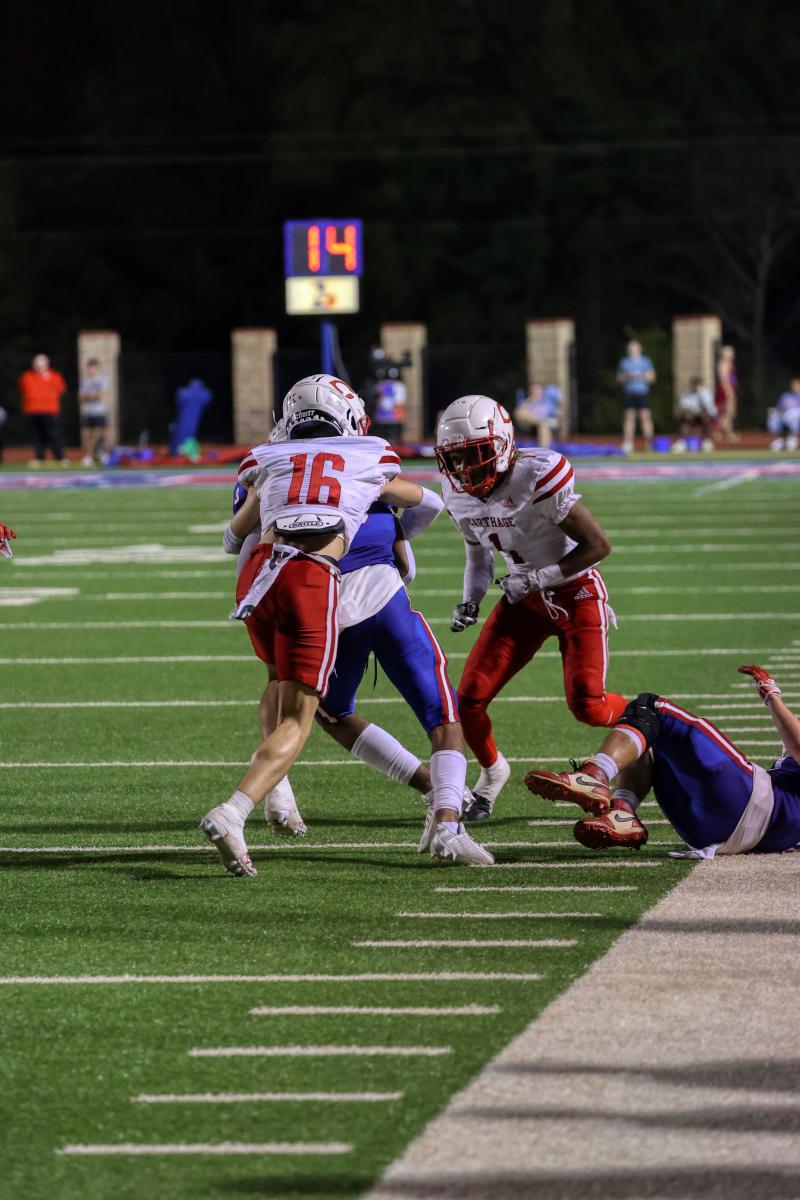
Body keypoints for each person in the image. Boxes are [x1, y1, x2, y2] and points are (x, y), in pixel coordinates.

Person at [202, 374, 491, 877]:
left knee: (308, 702)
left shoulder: (267, 460)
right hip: (339, 586)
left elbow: (235, 542)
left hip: (270, 583)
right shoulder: (368, 457)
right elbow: (427, 504)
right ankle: (447, 817)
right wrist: (399, 544)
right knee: (440, 714)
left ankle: (280, 793)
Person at [436, 394, 628, 822]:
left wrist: (538, 579)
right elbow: (478, 557)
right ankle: (491, 775)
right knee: (468, 700)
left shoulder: (536, 475)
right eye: (455, 458)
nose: (464, 468)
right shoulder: (457, 494)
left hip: (575, 593)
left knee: (589, 705)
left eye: (474, 454)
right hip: (523, 598)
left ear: (501, 444)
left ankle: (645, 721)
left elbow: (598, 545)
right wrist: (470, 600)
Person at [524, 666, 800, 857]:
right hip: (721, 834)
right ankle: (622, 814)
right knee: (646, 739)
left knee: (650, 709)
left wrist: (771, 697)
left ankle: (596, 774)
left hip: (745, 803)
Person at [17, 354, 68, 466]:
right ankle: (39, 457)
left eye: (42, 364)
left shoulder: (55, 376)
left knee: (54, 434)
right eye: (37, 364)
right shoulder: (27, 376)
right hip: (32, 410)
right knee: (37, 435)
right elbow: (22, 389)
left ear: (47, 365)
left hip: (50, 410)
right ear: (34, 365)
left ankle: (59, 457)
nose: (40, 367)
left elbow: (61, 390)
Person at [617, 339, 655, 454]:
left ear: (639, 349)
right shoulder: (624, 362)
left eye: (634, 348)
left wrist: (641, 376)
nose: (632, 350)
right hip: (629, 393)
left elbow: (652, 378)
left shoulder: (645, 361)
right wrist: (628, 376)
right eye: (630, 348)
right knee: (629, 418)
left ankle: (649, 443)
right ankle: (628, 443)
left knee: (645, 417)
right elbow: (619, 378)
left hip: (642, 393)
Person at [78, 358, 109, 466]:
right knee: (88, 435)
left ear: (97, 369)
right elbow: (80, 397)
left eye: (93, 368)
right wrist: (91, 396)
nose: (91, 371)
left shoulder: (102, 380)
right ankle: (89, 456)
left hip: (99, 411)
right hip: (87, 412)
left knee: (101, 434)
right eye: (90, 368)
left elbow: (99, 396)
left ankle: (103, 454)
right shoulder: (85, 381)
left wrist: (88, 396)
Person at [513, 383, 562, 448]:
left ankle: (544, 448)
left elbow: (557, 415)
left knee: (543, 424)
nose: (534, 391)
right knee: (520, 412)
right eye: (532, 390)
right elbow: (518, 413)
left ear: (542, 391)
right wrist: (530, 401)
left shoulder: (547, 403)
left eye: (537, 389)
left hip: (542, 424)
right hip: (528, 424)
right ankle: (544, 449)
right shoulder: (527, 402)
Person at [673, 376, 715, 452]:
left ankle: (706, 441)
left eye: (696, 384)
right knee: (684, 418)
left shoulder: (705, 393)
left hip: (705, 414)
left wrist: (697, 414)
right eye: (693, 384)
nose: (694, 386)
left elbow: (706, 408)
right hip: (692, 414)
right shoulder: (686, 394)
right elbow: (684, 407)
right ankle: (682, 442)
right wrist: (688, 414)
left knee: (705, 417)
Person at [714, 344, 738, 445]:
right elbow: (724, 380)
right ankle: (728, 434)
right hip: (726, 391)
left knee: (726, 414)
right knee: (727, 413)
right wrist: (729, 393)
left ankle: (720, 434)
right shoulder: (724, 364)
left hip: (728, 390)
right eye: (729, 353)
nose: (732, 355)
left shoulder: (729, 364)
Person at [767, 378, 800, 452]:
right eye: (793, 385)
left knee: (794, 420)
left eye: (796, 385)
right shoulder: (785, 396)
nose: (794, 386)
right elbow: (779, 408)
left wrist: (793, 413)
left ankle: (793, 439)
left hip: (796, 417)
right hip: (784, 415)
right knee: (773, 417)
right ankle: (779, 440)